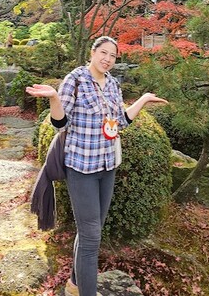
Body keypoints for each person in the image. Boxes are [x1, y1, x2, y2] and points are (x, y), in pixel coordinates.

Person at [25, 36, 168, 296]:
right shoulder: (75, 80)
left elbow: (120, 122)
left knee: (91, 231)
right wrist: (55, 98)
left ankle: (74, 285)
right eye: (103, 53)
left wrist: (144, 100)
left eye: (113, 56)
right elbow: (60, 124)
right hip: (81, 169)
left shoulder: (113, 84)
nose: (108, 59)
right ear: (92, 52)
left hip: (107, 166)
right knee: (91, 238)